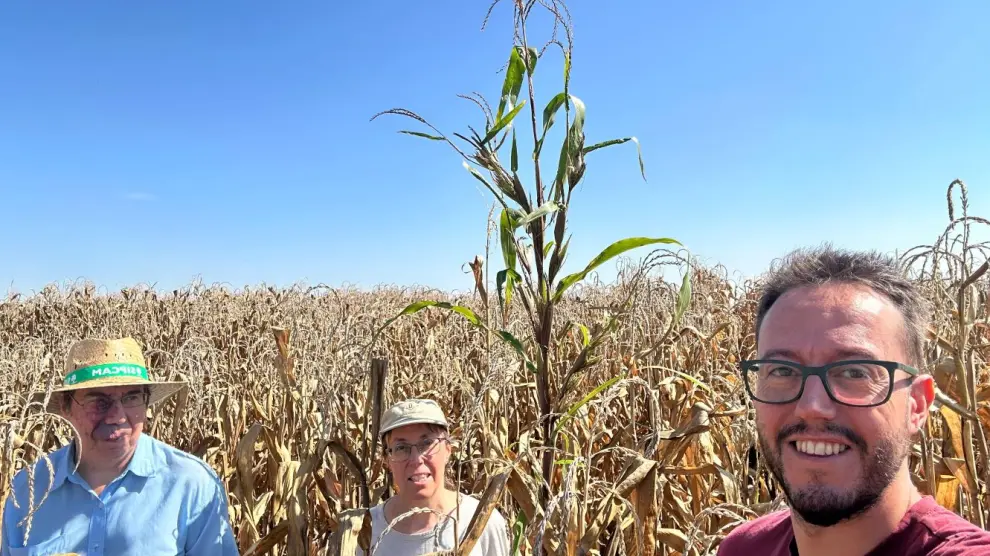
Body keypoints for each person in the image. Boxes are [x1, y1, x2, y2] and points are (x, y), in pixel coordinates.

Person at [717, 246, 990, 555]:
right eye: (782, 370)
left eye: (854, 372)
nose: (811, 406)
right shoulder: (744, 547)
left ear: (917, 404)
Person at [1, 337, 240, 556]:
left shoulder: (192, 485)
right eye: (98, 401)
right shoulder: (26, 492)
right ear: (66, 407)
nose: (117, 416)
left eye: (131, 398)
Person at [359, 398, 511, 555]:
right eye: (401, 448)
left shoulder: (483, 522)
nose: (416, 459)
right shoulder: (364, 530)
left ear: (448, 450)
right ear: (386, 460)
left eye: (426, 443)